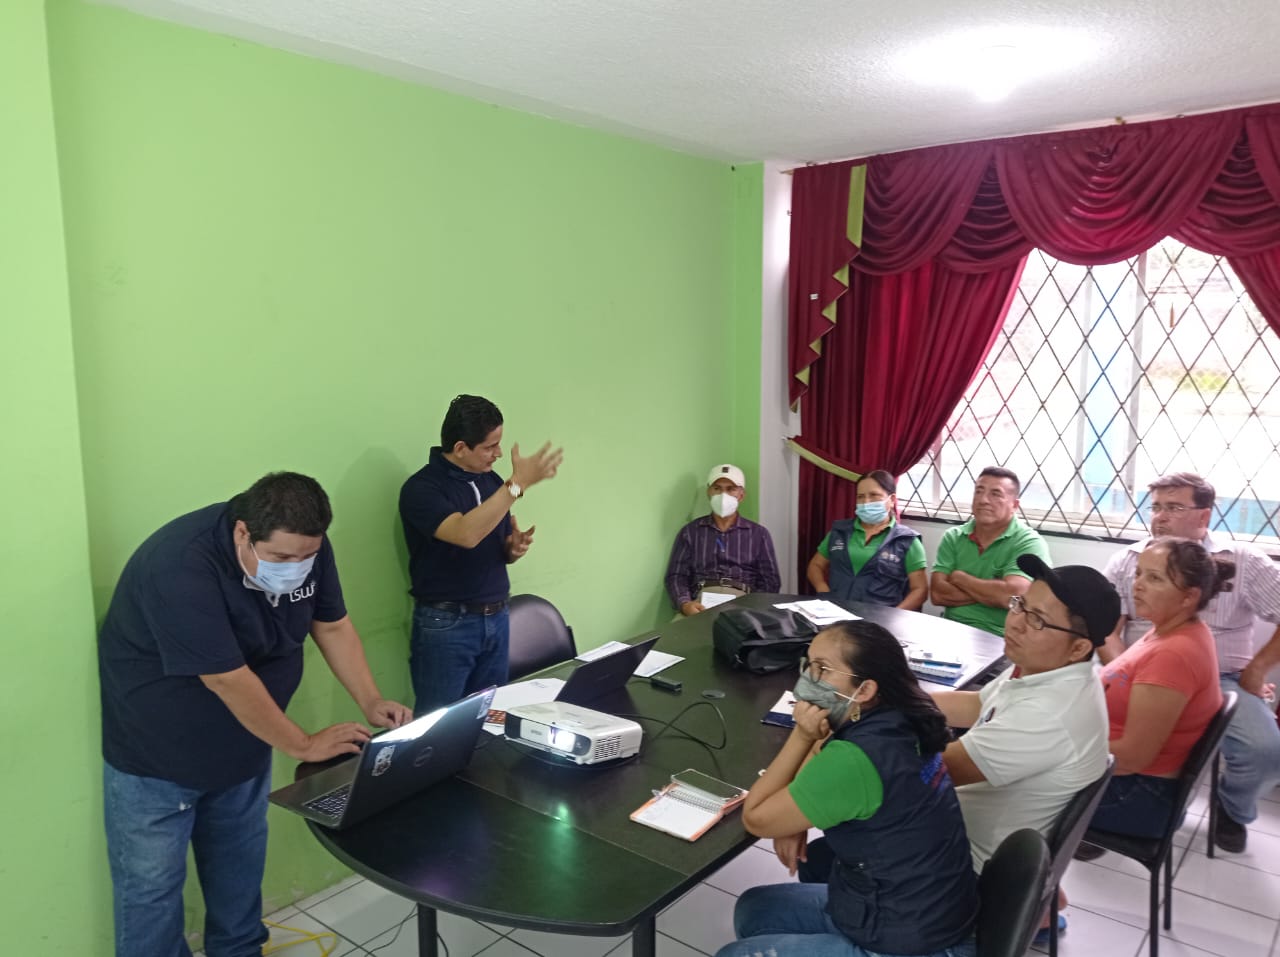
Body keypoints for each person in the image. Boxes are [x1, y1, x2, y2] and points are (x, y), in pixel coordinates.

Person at [98, 472, 413, 957]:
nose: (296, 568)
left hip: (246, 742)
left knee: (239, 870)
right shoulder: (180, 565)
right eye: (282, 558)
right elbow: (226, 678)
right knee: (151, 894)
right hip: (157, 757)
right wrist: (303, 744)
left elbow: (331, 625)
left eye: (306, 557)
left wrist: (370, 700)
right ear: (243, 532)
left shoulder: (307, 544)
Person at [716, 620, 977, 957]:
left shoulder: (857, 758)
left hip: (913, 939)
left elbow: (757, 818)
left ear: (864, 690)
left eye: (822, 669)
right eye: (809, 664)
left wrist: (801, 734)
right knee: (755, 909)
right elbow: (824, 753)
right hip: (929, 905)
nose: (808, 678)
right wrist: (794, 818)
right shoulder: (901, 716)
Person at [1101, 472, 1280, 852]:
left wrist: (1257, 669)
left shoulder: (1242, 559)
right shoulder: (1129, 560)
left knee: (1265, 751)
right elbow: (1107, 629)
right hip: (1144, 670)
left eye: (1173, 508)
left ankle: (1231, 808)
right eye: (1155, 507)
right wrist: (1125, 674)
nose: (1160, 517)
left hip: (1225, 679)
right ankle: (1104, 813)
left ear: (1204, 516)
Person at [399, 394, 563, 714]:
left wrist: (512, 548)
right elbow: (465, 534)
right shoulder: (422, 489)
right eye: (490, 447)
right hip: (448, 624)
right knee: (440, 724)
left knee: (491, 715)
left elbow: (493, 542)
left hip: (497, 616)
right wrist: (516, 485)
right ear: (461, 448)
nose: (498, 454)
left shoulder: (492, 483)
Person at [1085, 538, 1227, 843]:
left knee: (1009, 787)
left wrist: (1059, 752)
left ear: (1189, 596)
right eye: (1138, 573)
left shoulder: (1173, 655)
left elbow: (1132, 758)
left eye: (1154, 578)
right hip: (1125, 778)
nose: (1137, 585)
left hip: (1136, 795)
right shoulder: (1169, 628)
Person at [930, 466, 1051, 636]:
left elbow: (1012, 595)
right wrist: (994, 593)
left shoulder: (1028, 542)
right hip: (952, 630)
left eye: (995, 494)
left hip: (1003, 637)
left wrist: (961, 578)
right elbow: (937, 594)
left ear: (1014, 505)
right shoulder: (954, 536)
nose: (983, 500)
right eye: (979, 492)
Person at [665, 464, 781, 616]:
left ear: (741, 495)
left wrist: (753, 608)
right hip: (700, 602)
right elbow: (676, 576)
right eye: (717, 488)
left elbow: (770, 581)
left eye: (731, 489)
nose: (723, 495)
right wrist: (685, 604)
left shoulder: (759, 534)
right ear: (709, 492)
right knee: (678, 631)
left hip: (744, 602)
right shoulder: (690, 532)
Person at [806, 469, 928, 610]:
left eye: (874, 495)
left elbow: (920, 590)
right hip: (836, 613)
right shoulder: (840, 531)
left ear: (892, 500)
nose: (866, 502)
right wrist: (824, 591)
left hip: (880, 617)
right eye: (860, 497)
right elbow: (815, 566)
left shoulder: (907, 540)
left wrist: (895, 614)